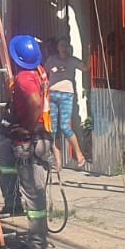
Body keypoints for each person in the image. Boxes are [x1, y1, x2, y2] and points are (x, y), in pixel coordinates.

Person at [0, 34, 52, 249]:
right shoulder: (39, 73)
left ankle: (37, 244)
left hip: (30, 139)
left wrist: (25, 128)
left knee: (34, 193)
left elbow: (35, 103)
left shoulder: (24, 79)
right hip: (42, 136)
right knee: (33, 187)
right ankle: (13, 204)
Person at [44, 37, 87, 169]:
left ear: (68, 48)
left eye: (65, 46)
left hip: (67, 95)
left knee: (65, 127)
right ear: (58, 48)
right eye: (61, 45)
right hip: (53, 94)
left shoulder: (72, 60)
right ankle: (58, 163)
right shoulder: (52, 59)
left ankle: (79, 154)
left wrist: (89, 51)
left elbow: (86, 68)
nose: (63, 48)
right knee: (54, 129)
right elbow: (44, 72)